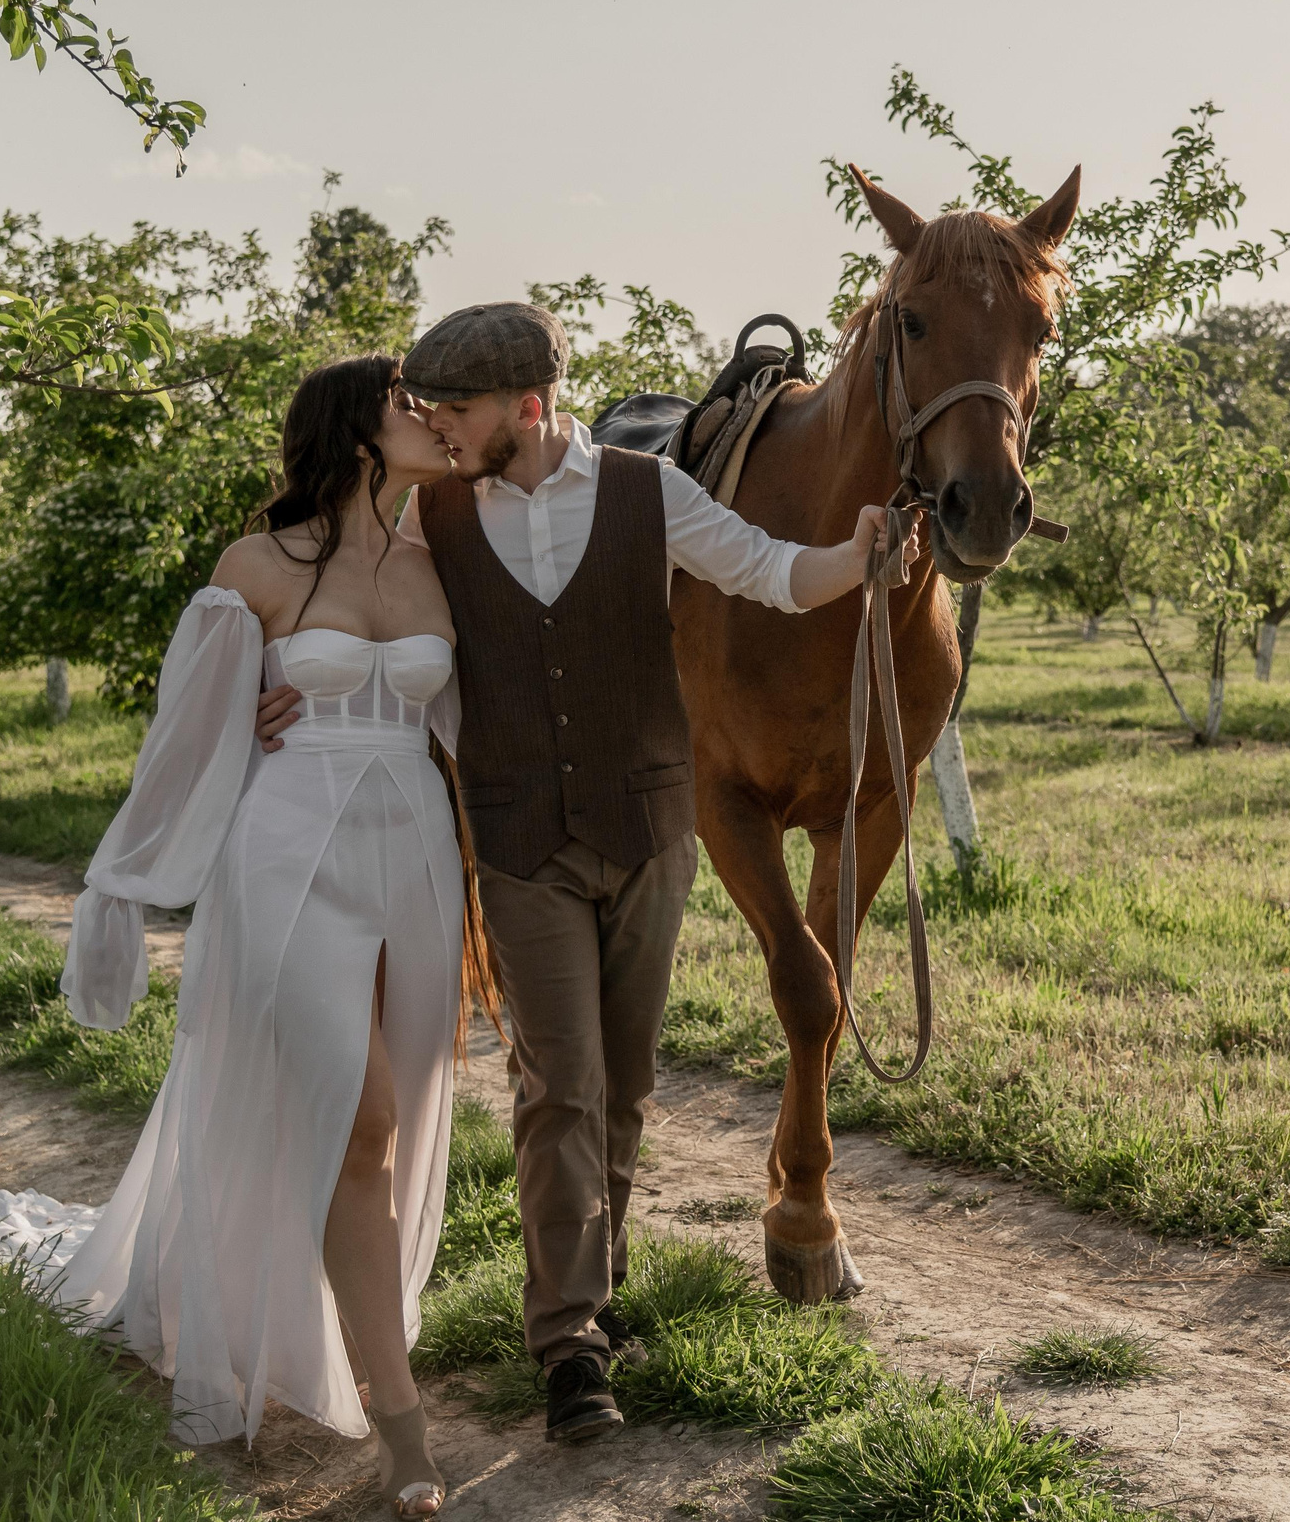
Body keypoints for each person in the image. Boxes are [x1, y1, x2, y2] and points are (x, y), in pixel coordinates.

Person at [255, 301, 904, 1445]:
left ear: (528, 405)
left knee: (625, 1082)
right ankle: (568, 1340)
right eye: (433, 410)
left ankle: (595, 1292)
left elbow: (763, 570)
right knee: (557, 1083)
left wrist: (856, 557)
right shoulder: (433, 520)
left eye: (458, 410)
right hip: (517, 841)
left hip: (650, 829)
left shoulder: (647, 493)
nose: (440, 427)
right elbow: (348, 598)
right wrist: (304, 692)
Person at [0, 355, 482, 1518]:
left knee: (385, 1122)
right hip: (289, 855)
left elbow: (477, 716)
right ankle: (400, 1425)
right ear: (356, 428)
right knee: (361, 1121)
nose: (436, 418)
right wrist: (124, 885)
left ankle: (299, 1305)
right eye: (412, 402)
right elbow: (184, 747)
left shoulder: (445, 557)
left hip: (417, 862)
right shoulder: (254, 568)